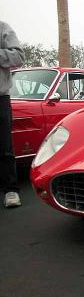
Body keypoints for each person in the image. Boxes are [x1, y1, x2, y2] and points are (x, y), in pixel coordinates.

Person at [0, 21, 24, 208]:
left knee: (4, 147)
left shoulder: (3, 28)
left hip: (0, 97)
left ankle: (10, 190)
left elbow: (19, 57)